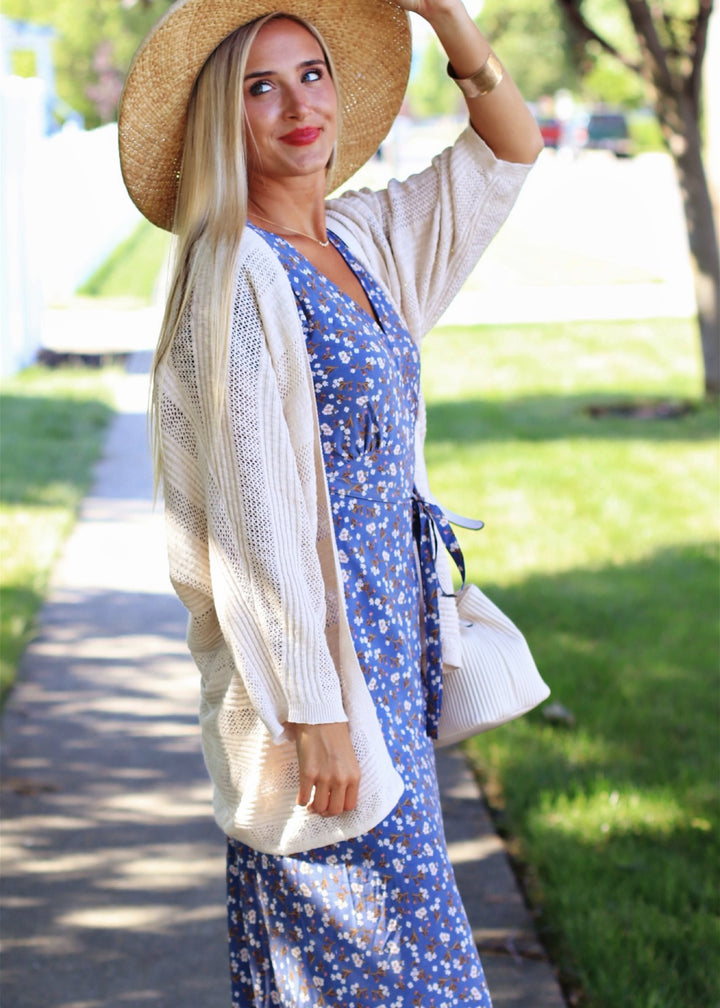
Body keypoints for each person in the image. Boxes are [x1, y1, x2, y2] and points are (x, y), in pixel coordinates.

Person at [119, 1, 542, 1004]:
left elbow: (508, 153)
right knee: (384, 968)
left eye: (311, 73)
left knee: (370, 968)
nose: (296, 103)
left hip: (387, 663)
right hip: (315, 686)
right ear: (226, 122)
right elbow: (252, 528)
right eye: (258, 87)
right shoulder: (233, 279)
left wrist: (448, 21)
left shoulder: (362, 241)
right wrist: (312, 714)